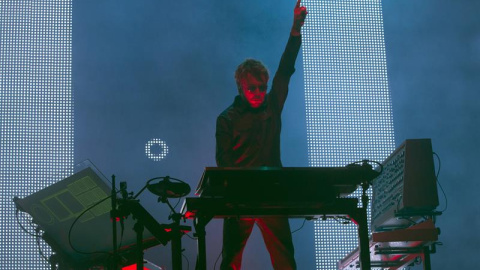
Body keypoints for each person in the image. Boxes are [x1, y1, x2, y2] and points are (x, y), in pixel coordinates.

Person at [215, 1, 307, 269]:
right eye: (253, 88)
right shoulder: (227, 119)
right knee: (230, 260)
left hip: (272, 193)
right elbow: (224, 162)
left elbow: (285, 71)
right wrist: (232, 194)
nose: (259, 92)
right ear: (241, 86)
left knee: (284, 259)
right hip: (241, 196)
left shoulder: (273, 105)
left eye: (262, 87)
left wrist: (295, 30)